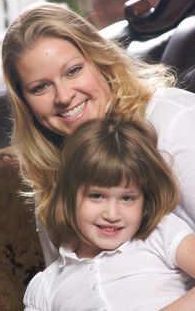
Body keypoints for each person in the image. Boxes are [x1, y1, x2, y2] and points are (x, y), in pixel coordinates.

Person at [2, 2, 195, 267]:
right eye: (40, 87)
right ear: (25, 103)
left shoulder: (170, 119)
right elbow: (66, 290)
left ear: (99, 60)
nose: (64, 96)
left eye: (73, 71)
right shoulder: (50, 182)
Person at [23, 118, 195, 311]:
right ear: (68, 197)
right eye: (97, 196)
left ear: (144, 202)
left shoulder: (160, 234)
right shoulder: (46, 287)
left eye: (127, 198)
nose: (112, 215)